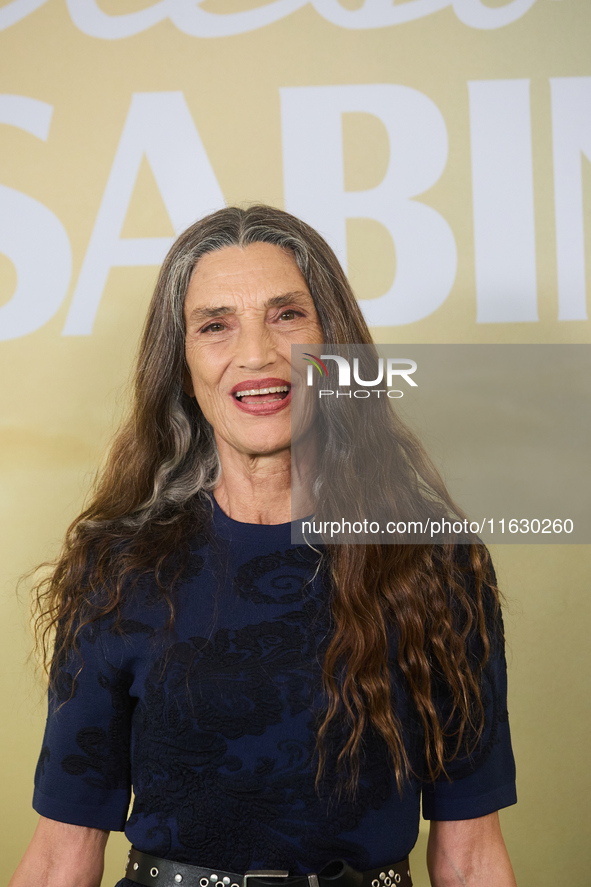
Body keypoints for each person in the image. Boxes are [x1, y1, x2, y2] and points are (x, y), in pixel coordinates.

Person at [10, 205, 517, 887]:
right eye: (215, 325)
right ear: (182, 364)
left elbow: (470, 854)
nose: (256, 354)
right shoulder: (118, 570)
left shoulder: (437, 565)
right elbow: (60, 854)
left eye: (286, 315)